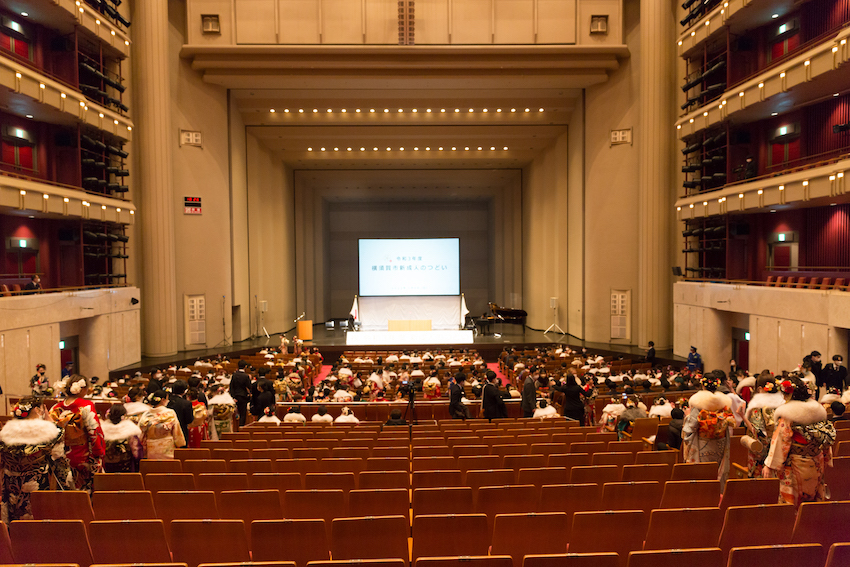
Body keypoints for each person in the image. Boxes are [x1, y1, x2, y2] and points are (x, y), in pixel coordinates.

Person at [763, 377, 837, 507]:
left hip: (796, 464)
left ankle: (794, 525)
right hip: (816, 461)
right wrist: (826, 457)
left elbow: (782, 441)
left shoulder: (789, 414)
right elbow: (824, 437)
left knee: (793, 503)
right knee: (814, 499)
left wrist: (770, 464)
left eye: (785, 394)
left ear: (790, 394)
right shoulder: (818, 411)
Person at [0, 397, 73, 522]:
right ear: (38, 410)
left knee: (15, 523)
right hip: (37, 484)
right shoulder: (52, 432)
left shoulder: (4, 433)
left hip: (11, 484)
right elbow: (59, 459)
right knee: (36, 519)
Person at [49, 374, 105, 493]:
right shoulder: (86, 406)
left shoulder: (55, 408)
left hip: (61, 455)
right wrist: (98, 452)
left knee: (66, 489)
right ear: (83, 389)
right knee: (84, 490)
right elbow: (94, 432)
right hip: (82, 455)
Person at [683, 371, 736, 485]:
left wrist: (687, 416)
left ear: (703, 385)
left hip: (703, 443)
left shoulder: (698, 403)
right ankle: (718, 494)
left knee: (704, 472)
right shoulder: (723, 403)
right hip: (720, 442)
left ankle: (704, 494)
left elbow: (690, 427)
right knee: (717, 469)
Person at [742, 375, 784, 478]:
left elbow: (757, 430)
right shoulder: (782, 403)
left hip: (763, 448)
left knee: (760, 479)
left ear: (760, 389)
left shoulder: (758, 405)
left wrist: (743, 417)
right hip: (779, 444)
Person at [138, 390, 186, 459]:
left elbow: (141, 432)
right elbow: (176, 430)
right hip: (167, 444)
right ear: (163, 400)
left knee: (153, 467)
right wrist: (179, 443)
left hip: (151, 445)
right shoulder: (170, 413)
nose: (168, 400)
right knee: (167, 467)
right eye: (167, 399)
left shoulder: (146, 414)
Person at [101, 405, 143, 473]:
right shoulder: (130, 429)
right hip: (125, 466)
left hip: (107, 466)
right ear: (124, 415)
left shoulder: (102, 429)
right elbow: (136, 452)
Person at [229, 361, 252, 427]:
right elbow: (249, 387)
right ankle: (241, 427)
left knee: (235, 413)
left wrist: (233, 397)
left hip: (235, 396)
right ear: (245, 366)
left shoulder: (234, 375)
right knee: (242, 413)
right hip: (243, 397)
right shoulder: (245, 376)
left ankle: (235, 427)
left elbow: (231, 387)